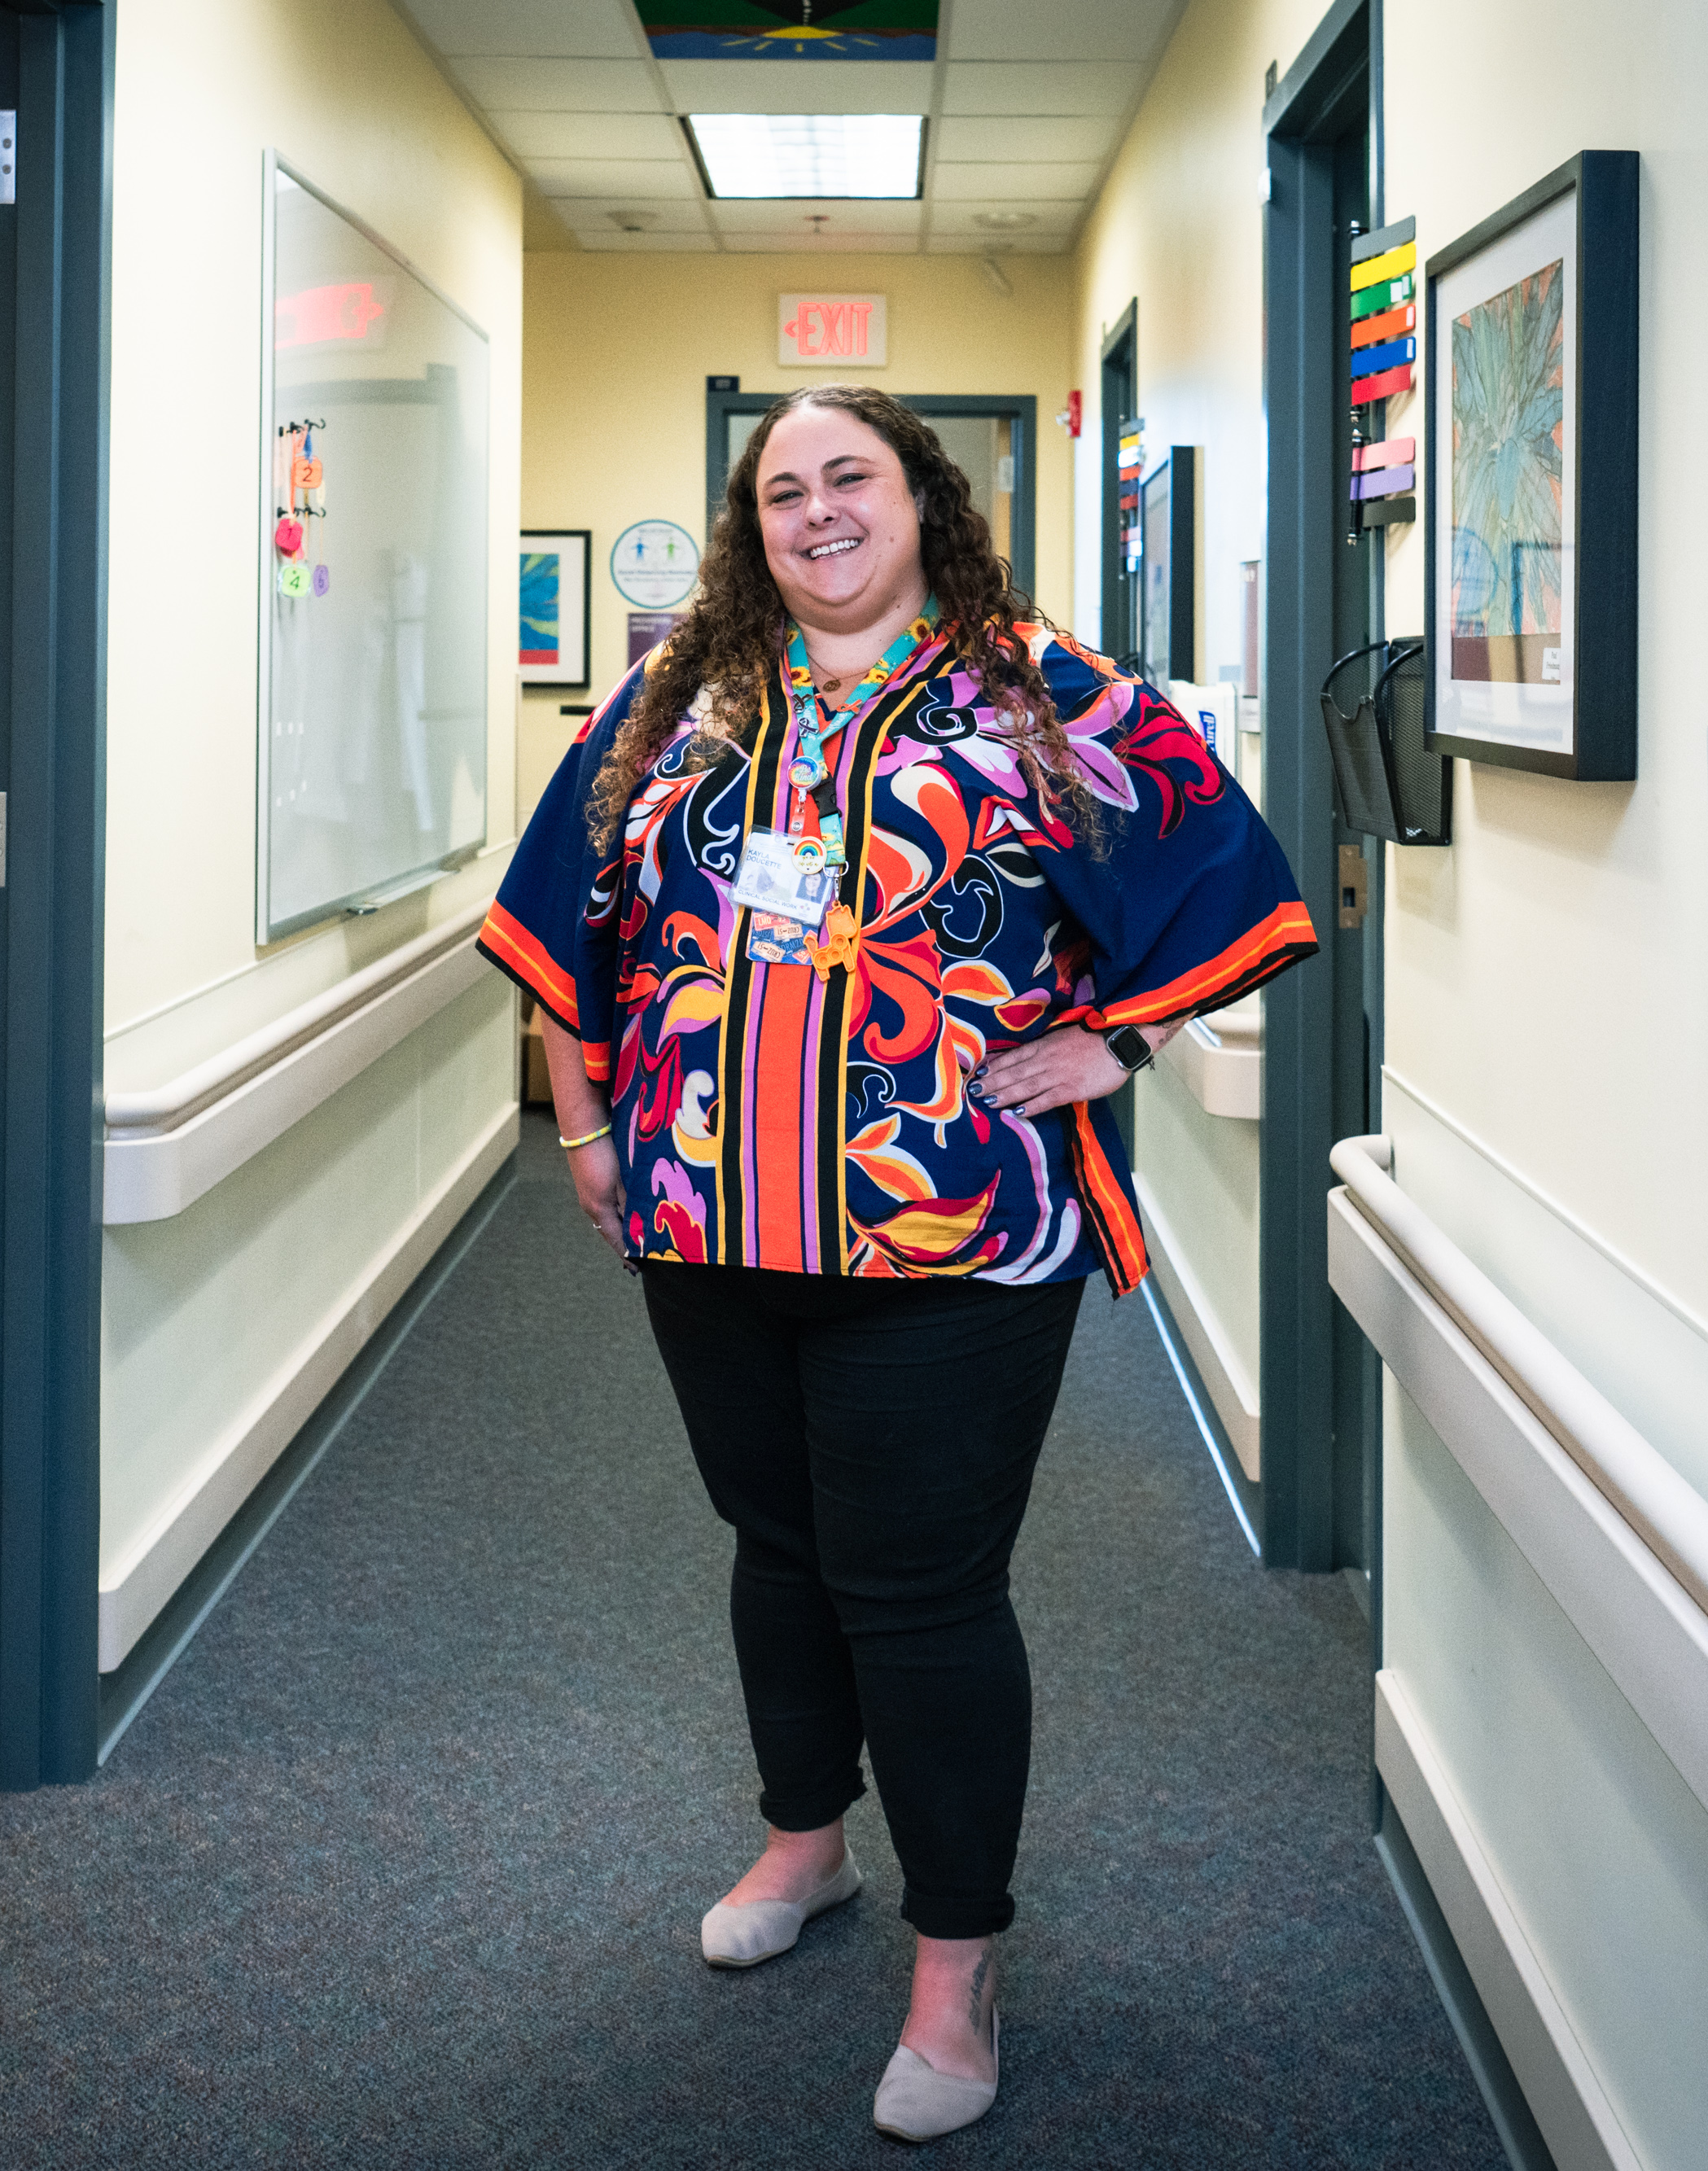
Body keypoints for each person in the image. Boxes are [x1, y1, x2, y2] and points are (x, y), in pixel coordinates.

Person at [479, 384, 1315, 2142]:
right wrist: (583, 1124)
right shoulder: (676, 695)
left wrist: (1119, 1041)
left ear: (919, 498)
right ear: (750, 522)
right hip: (705, 1226)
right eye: (779, 488)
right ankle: (804, 1838)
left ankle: (956, 1962)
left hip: (948, 1236)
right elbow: (560, 924)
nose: (813, 511)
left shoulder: (1036, 685)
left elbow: (1219, 869)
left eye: (846, 475)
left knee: (918, 1589)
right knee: (775, 1544)